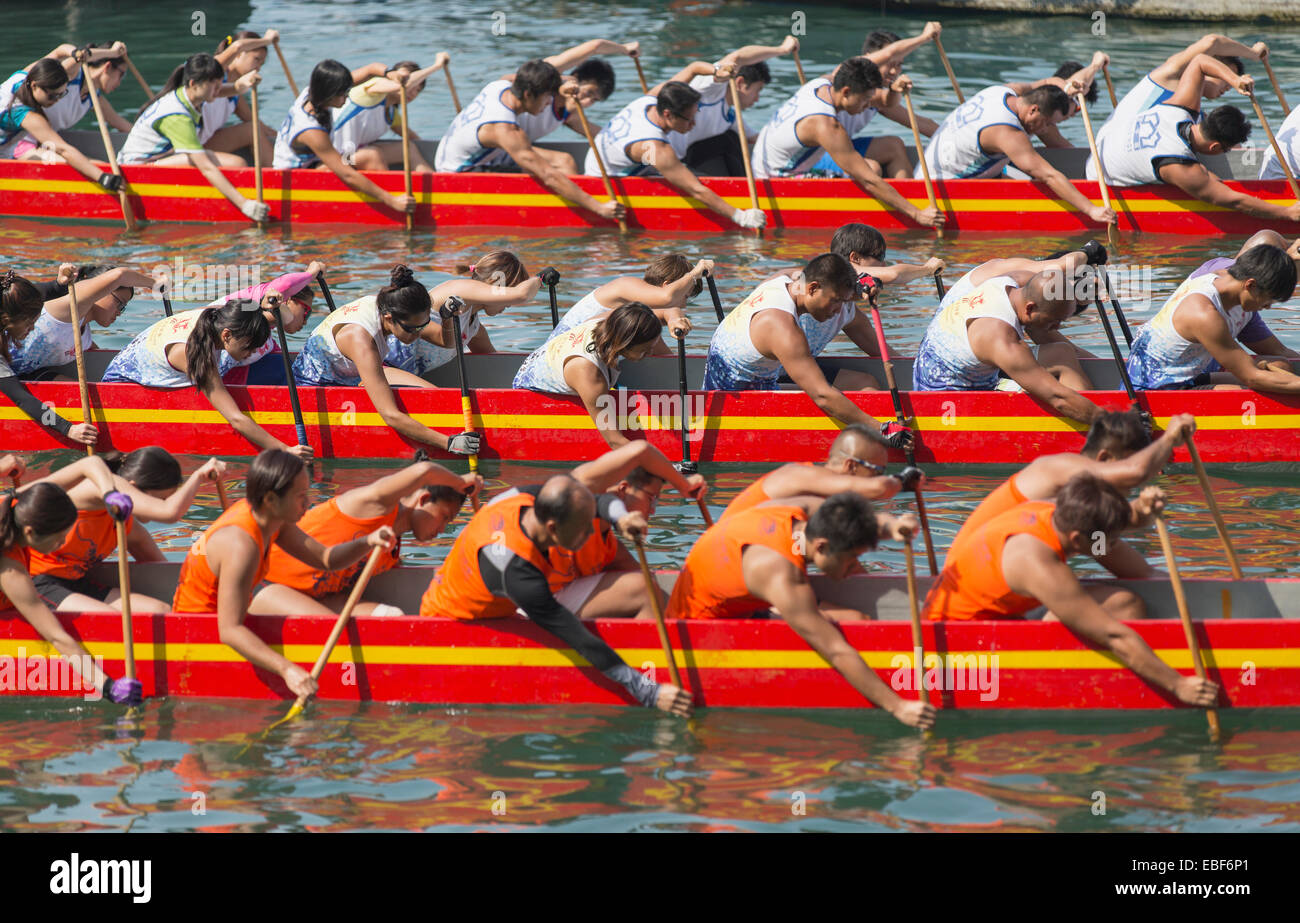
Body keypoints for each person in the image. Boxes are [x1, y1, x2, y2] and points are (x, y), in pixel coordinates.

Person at [922, 473, 1219, 708]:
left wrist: (1142, 510)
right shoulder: (1038, 563)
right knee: (1124, 608)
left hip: (1003, 615)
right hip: (959, 641)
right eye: (1107, 542)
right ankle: (1116, 687)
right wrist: (1177, 685)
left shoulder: (1057, 511)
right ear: (1077, 539)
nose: (1111, 547)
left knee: (1119, 597)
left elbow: (1114, 529)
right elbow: (1113, 634)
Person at [419, 473, 692, 716]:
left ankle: (662, 659)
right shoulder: (516, 571)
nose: (590, 535)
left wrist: (621, 517)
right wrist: (646, 691)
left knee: (642, 584)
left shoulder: (528, 497)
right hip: (459, 623)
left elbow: (599, 502)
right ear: (552, 529)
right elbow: (580, 639)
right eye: (583, 531)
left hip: (519, 596)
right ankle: (651, 679)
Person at [667, 491, 934, 728]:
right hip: (698, 632)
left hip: (740, 604)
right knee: (837, 635)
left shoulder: (792, 512)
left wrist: (893, 526)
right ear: (821, 547)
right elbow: (835, 650)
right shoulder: (779, 573)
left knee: (855, 619)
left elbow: (847, 516)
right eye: (851, 560)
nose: (854, 569)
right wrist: (898, 706)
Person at [172, 449, 396, 699]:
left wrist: (367, 541)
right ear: (270, 499)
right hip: (197, 636)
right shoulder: (241, 546)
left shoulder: (271, 520)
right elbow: (229, 631)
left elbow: (326, 559)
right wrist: (288, 669)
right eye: (301, 496)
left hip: (231, 622)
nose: (309, 503)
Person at [945, 409, 1196, 567]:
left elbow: (1103, 552)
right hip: (972, 573)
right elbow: (1135, 472)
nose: (1133, 486)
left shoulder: (1090, 510)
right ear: (1104, 459)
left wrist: (1136, 516)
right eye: (1128, 462)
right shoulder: (1058, 468)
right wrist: (1169, 439)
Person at [703, 253, 899, 443]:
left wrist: (858, 287)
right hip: (736, 407)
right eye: (836, 300)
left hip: (751, 386)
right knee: (835, 399)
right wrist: (881, 429)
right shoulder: (782, 327)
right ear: (813, 288)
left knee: (857, 389)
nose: (839, 310)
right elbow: (822, 396)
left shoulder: (784, 280)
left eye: (843, 301)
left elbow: (809, 272)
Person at [292, 264, 479, 456]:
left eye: (423, 326)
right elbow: (390, 415)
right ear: (389, 318)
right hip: (314, 391)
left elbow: (445, 341)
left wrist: (447, 318)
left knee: (434, 394)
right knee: (398, 407)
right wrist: (448, 443)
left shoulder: (396, 306)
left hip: (350, 376)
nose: (418, 334)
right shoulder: (361, 340)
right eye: (413, 329)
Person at [1087, 57, 1300, 225]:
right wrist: (1287, 212)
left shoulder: (1180, 107)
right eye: (1226, 150)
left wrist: (1235, 81)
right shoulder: (1178, 166)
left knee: (1210, 182)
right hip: (1099, 177)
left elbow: (1199, 62)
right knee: (1211, 188)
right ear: (1215, 147)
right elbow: (1235, 201)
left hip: (1105, 144)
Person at [254, 458, 480, 615]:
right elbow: (424, 472)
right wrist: (460, 483)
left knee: (391, 616)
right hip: (265, 589)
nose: (442, 529)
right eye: (444, 517)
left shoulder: (391, 551)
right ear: (423, 499)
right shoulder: (373, 504)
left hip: (319, 600)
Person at [0, 455, 141, 705]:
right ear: (30, 532)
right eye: (58, 538)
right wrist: (107, 687)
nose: (61, 545)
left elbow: (90, 463)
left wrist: (109, 493)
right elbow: (57, 638)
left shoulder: (19, 502)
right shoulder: (11, 570)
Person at [101, 298, 314, 459]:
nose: (251, 353)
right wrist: (286, 450)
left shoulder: (219, 318)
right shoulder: (193, 353)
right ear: (226, 336)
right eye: (248, 347)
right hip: (121, 389)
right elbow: (235, 418)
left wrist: (275, 307)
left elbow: (266, 318)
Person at [518, 441, 706, 619]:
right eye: (652, 498)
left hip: (553, 598)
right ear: (624, 489)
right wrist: (683, 484)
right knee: (644, 590)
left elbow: (649, 582)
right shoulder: (580, 489)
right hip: (526, 601)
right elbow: (641, 450)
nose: (653, 509)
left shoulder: (609, 547)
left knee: (649, 584)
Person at [752, 57, 943, 228]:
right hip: (776, 180)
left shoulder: (821, 84)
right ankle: (907, 214)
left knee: (891, 145)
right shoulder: (825, 125)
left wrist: (893, 89)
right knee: (870, 172)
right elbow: (868, 180)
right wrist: (917, 214)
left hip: (766, 163)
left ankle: (906, 202)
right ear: (846, 91)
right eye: (865, 100)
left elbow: (884, 101)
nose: (868, 105)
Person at [31, 448, 226, 614]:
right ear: (132, 488)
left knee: (159, 611)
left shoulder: (127, 528)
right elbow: (170, 513)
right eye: (161, 498)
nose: (160, 504)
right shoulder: (101, 486)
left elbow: (166, 576)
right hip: (35, 580)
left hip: (76, 583)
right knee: (110, 621)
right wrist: (199, 475)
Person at [435, 58, 622, 221]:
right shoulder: (505, 129)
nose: (549, 102)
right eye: (547, 97)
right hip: (457, 173)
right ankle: (575, 212)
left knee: (564, 160)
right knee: (549, 170)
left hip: (479, 152)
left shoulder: (500, 86)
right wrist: (600, 207)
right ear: (527, 95)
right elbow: (548, 175)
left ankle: (571, 205)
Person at [913, 268, 1103, 425]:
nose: (1057, 328)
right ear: (1029, 308)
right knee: (1060, 384)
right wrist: (1114, 424)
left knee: (1061, 352)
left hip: (960, 369)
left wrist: (1076, 287)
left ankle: (1090, 410)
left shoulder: (1010, 280)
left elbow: (1046, 278)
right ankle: (1091, 433)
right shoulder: (1001, 338)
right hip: (947, 398)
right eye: (1054, 321)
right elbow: (1058, 399)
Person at [917, 83, 1115, 227]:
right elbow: (1048, 175)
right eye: (1047, 122)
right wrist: (1091, 209)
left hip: (933, 167)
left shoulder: (1003, 91)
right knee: (1041, 176)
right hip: (938, 189)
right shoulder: (1006, 132)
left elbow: (1043, 84)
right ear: (1034, 110)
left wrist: (1071, 85)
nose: (1046, 129)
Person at [585, 78, 765, 229]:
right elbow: (696, 190)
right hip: (606, 181)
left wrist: (718, 72)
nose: (694, 124)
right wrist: (741, 217)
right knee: (695, 181)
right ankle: (736, 200)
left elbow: (693, 69)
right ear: (668, 114)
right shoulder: (654, 148)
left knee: (726, 138)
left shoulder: (650, 99)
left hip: (615, 158)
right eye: (689, 119)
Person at [118, 53, 268, 223]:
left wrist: (240, 86)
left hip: (161, 159)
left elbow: (217, 92)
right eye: (215, 86)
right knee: (236, 164)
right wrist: (245, 205)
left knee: (235, 163)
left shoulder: (191, 94)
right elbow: (205, 167)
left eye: (220, 85)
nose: (218, 90)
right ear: (193, 84)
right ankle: (238, 204)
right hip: (137, 169)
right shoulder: (177, 116)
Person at [1126, 244, 1300, 392]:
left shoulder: (1226, 275)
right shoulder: (1203, 314)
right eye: (1268, 299)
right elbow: (1252, 378)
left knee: (1282, 367)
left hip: (1190, 373)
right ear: (1251, 284)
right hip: (1157, 388)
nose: (1268, 307)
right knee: (1254, 392)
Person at [775, 223, 945, 362]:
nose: (884, 264)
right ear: (854, 258)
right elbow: (893, 274)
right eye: (879, 256)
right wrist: (927, 269)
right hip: (776, 372)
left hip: (796, 368)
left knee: (866, 383)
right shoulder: (843, 269)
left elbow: (887, 355)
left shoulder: (849, 313)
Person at [272, 59, 415, 216]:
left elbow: (370, 69)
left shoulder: (313, 92)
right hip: (300, 175)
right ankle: (393, 206)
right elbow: (347, 174)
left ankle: (388, 200)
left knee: (367, 154)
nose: (347, 98)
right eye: (344, 95)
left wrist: (390, 73)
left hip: (319, 161)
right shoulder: (311, 131)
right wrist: (392, 201)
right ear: (330, 93)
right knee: (371, 156)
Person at [513, 302, 664, 449]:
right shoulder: (589, 373)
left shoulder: (613, 320)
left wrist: (675, 318)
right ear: (624, 343)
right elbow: (615, 442)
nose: (651, 354)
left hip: (549, 363)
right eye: (645, 349)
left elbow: (660, 314)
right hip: (531, 394)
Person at [657, 37, 798, 177]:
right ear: (740, 82)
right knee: (725, 141)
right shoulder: (708, 90)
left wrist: (799, 142)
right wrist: (782, 49)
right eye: (758, 89)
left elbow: (756, 139)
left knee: (732, 138)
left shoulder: (730, 117)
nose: (757, 98)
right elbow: (737, 57)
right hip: (666, 162)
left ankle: (742, 185)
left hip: (688, 160)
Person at [386, 251, 541, 377]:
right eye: (508, 293)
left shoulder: (474, 329)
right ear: (495, 285)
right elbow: (522, 294)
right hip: (377, 369)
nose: (509, 304)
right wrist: (540, 278)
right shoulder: (460, 288)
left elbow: (496, 363)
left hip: (402, 380)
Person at [720, 424, 909, 520]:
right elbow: (880, 488)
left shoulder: (825, 503)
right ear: (851, 466)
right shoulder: (800, 475)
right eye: (879, 471)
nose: (881, 476)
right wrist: (905, 479)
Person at [0, 268, 98, 447]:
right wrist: (69, 429)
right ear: (7, 320)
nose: (32, 329)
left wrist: (59, 284)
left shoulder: (8, 299)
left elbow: (43, 292)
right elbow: (21, 398)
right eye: (29, 324)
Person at [0, 53, 126, 190]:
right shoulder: (25, 115)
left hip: (10, 151)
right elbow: (63, 149)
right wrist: (101, 177)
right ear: (35, 86)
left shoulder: (23, 77)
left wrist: (78, 53)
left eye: (62, 94)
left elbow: (60, 50)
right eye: (53, 96)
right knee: (78, 163)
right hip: (10, 157)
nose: (57, 101)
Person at [10, 262, 155, 379]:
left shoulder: (85, 338)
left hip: (22, 376)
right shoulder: (69, 308)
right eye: (120, 303)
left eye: (123, 308)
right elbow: (120, 275)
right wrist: (155, 283)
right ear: (102, 291)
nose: (119, 312)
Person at [512, 39, 640, 170]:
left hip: (513, 148)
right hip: (501, 138)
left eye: (594, 100)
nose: (587, 102)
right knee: (566, 162)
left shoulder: (570, 115)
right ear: (575, 77)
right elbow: (596, 46)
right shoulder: (544, 79)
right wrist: (625, 48)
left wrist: (640, 148)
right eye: (588, 93)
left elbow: (605, 137)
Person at [1, 41, 132, 160]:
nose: (120, 83)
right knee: (92, 166)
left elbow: (124, 126)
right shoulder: (67, 76)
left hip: (48, 145)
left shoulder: (94, 99)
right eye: (122, 74)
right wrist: (113, 53)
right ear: (108, 67)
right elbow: (78, 55)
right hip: (22, 145)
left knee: (96, 165)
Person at [210, 260, 322, 386]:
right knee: (283, 367)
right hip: (218, 357)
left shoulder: (265, 331)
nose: (306, 321)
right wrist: (310, 273)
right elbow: (285, 283)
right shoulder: (264, 299)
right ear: (288, 299)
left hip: (234, 364)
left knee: (286, 365)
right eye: (306, 312)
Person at [549, 254, 709, 340]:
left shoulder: (640, 315)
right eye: (685, 297)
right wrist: (695, 274)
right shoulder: (625, 285)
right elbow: (668, 299)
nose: (685, 306)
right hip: (561, 356)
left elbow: (661, 355)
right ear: (667, 285)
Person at [331, 57, 447, 171]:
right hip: (338, 157)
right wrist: (436, 66)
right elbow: (404, 85)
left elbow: (415, 139)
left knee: (408, 148)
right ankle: (390, 190)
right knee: (373, 155)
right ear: (392, 78)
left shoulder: (391, 114)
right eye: (413, 84)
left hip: (353, 155)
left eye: (417, 90)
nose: (412, 92)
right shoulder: (372, 88)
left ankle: (438, 186)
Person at [202, 30, 281, 164]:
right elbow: (237, 46)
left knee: (254, 128)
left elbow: (258, 125)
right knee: (250, 131)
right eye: (256, 59)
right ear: (238, 55)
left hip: (205, 141)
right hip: (188, 146)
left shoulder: (235, 92)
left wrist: (285, 139)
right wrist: (267, 40)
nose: (258, 68)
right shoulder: (212, 72)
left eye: (262, 64)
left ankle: (277, 172)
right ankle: (276, 180)